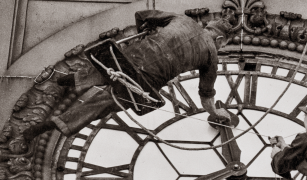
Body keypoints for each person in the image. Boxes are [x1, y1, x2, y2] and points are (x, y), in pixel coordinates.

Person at [14, 10, 233, 151]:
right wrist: (216, 114)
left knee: (106, 69)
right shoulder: (211, 54)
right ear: (220, 39)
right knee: (96, 107)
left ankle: (68, 80)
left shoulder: (181, 19)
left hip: (126, 59)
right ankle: (38, 130)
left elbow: (141, 14)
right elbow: (206, 95)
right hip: (143, 84)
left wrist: (146, 33)